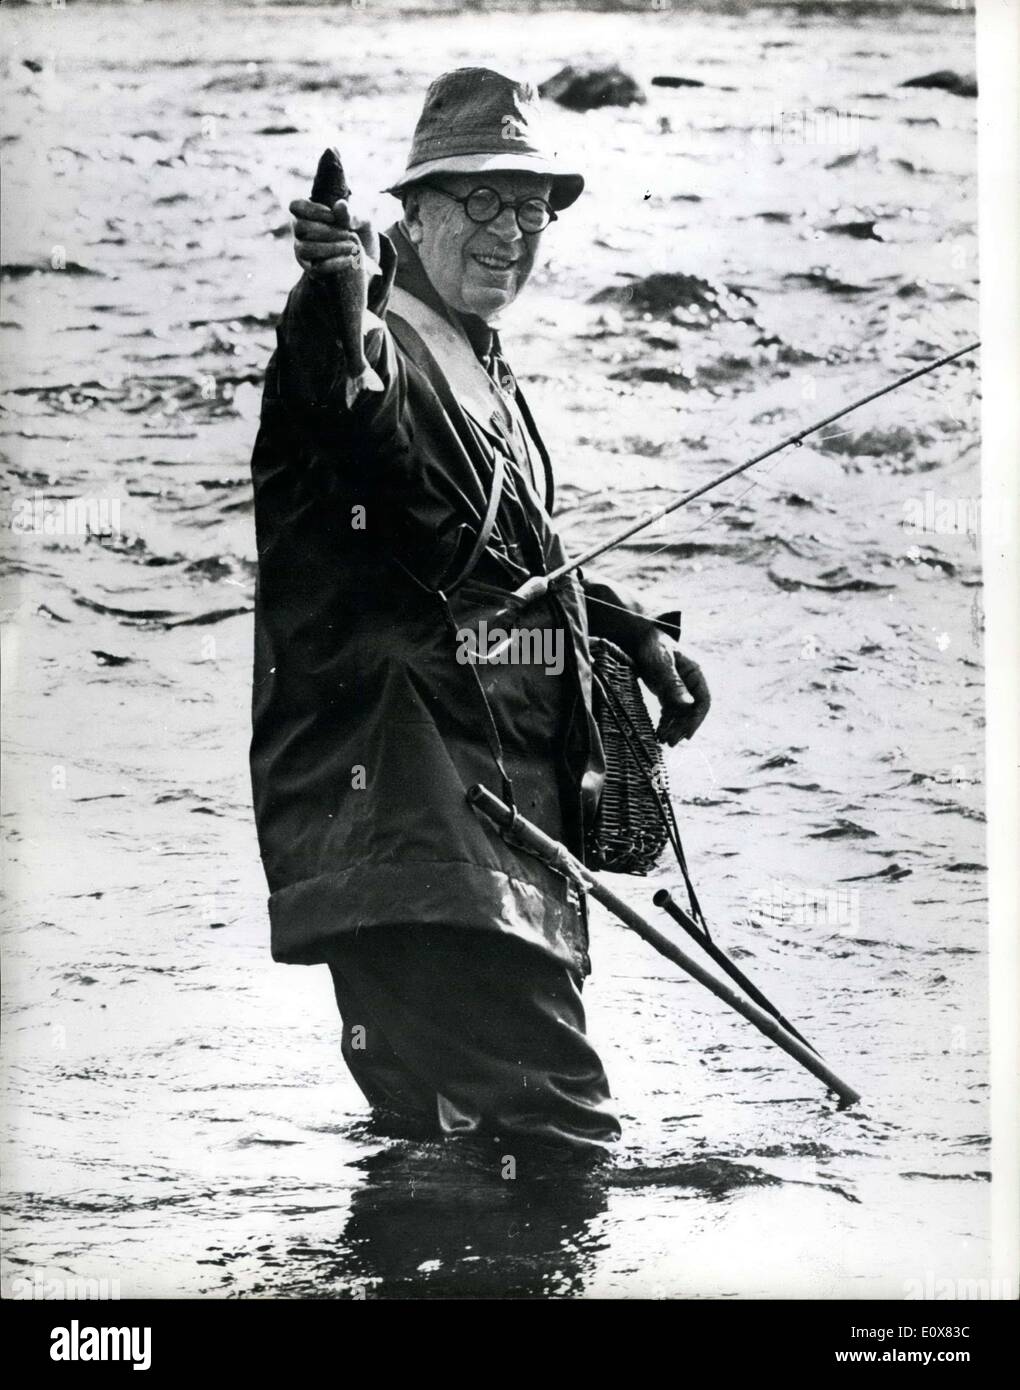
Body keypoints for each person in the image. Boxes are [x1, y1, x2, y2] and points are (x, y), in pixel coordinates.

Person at [249, 67, 710, 1155]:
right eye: (482, 202)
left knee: (449, 1156)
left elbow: (497, 568)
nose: (513, 231)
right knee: (562, 1147)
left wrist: (631, 632)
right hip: (419, 829)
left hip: (462, 843)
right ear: (411, 212)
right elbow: (358, 408)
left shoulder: (478, 361)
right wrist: (337, 294)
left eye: (534, 206)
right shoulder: (376, 343)